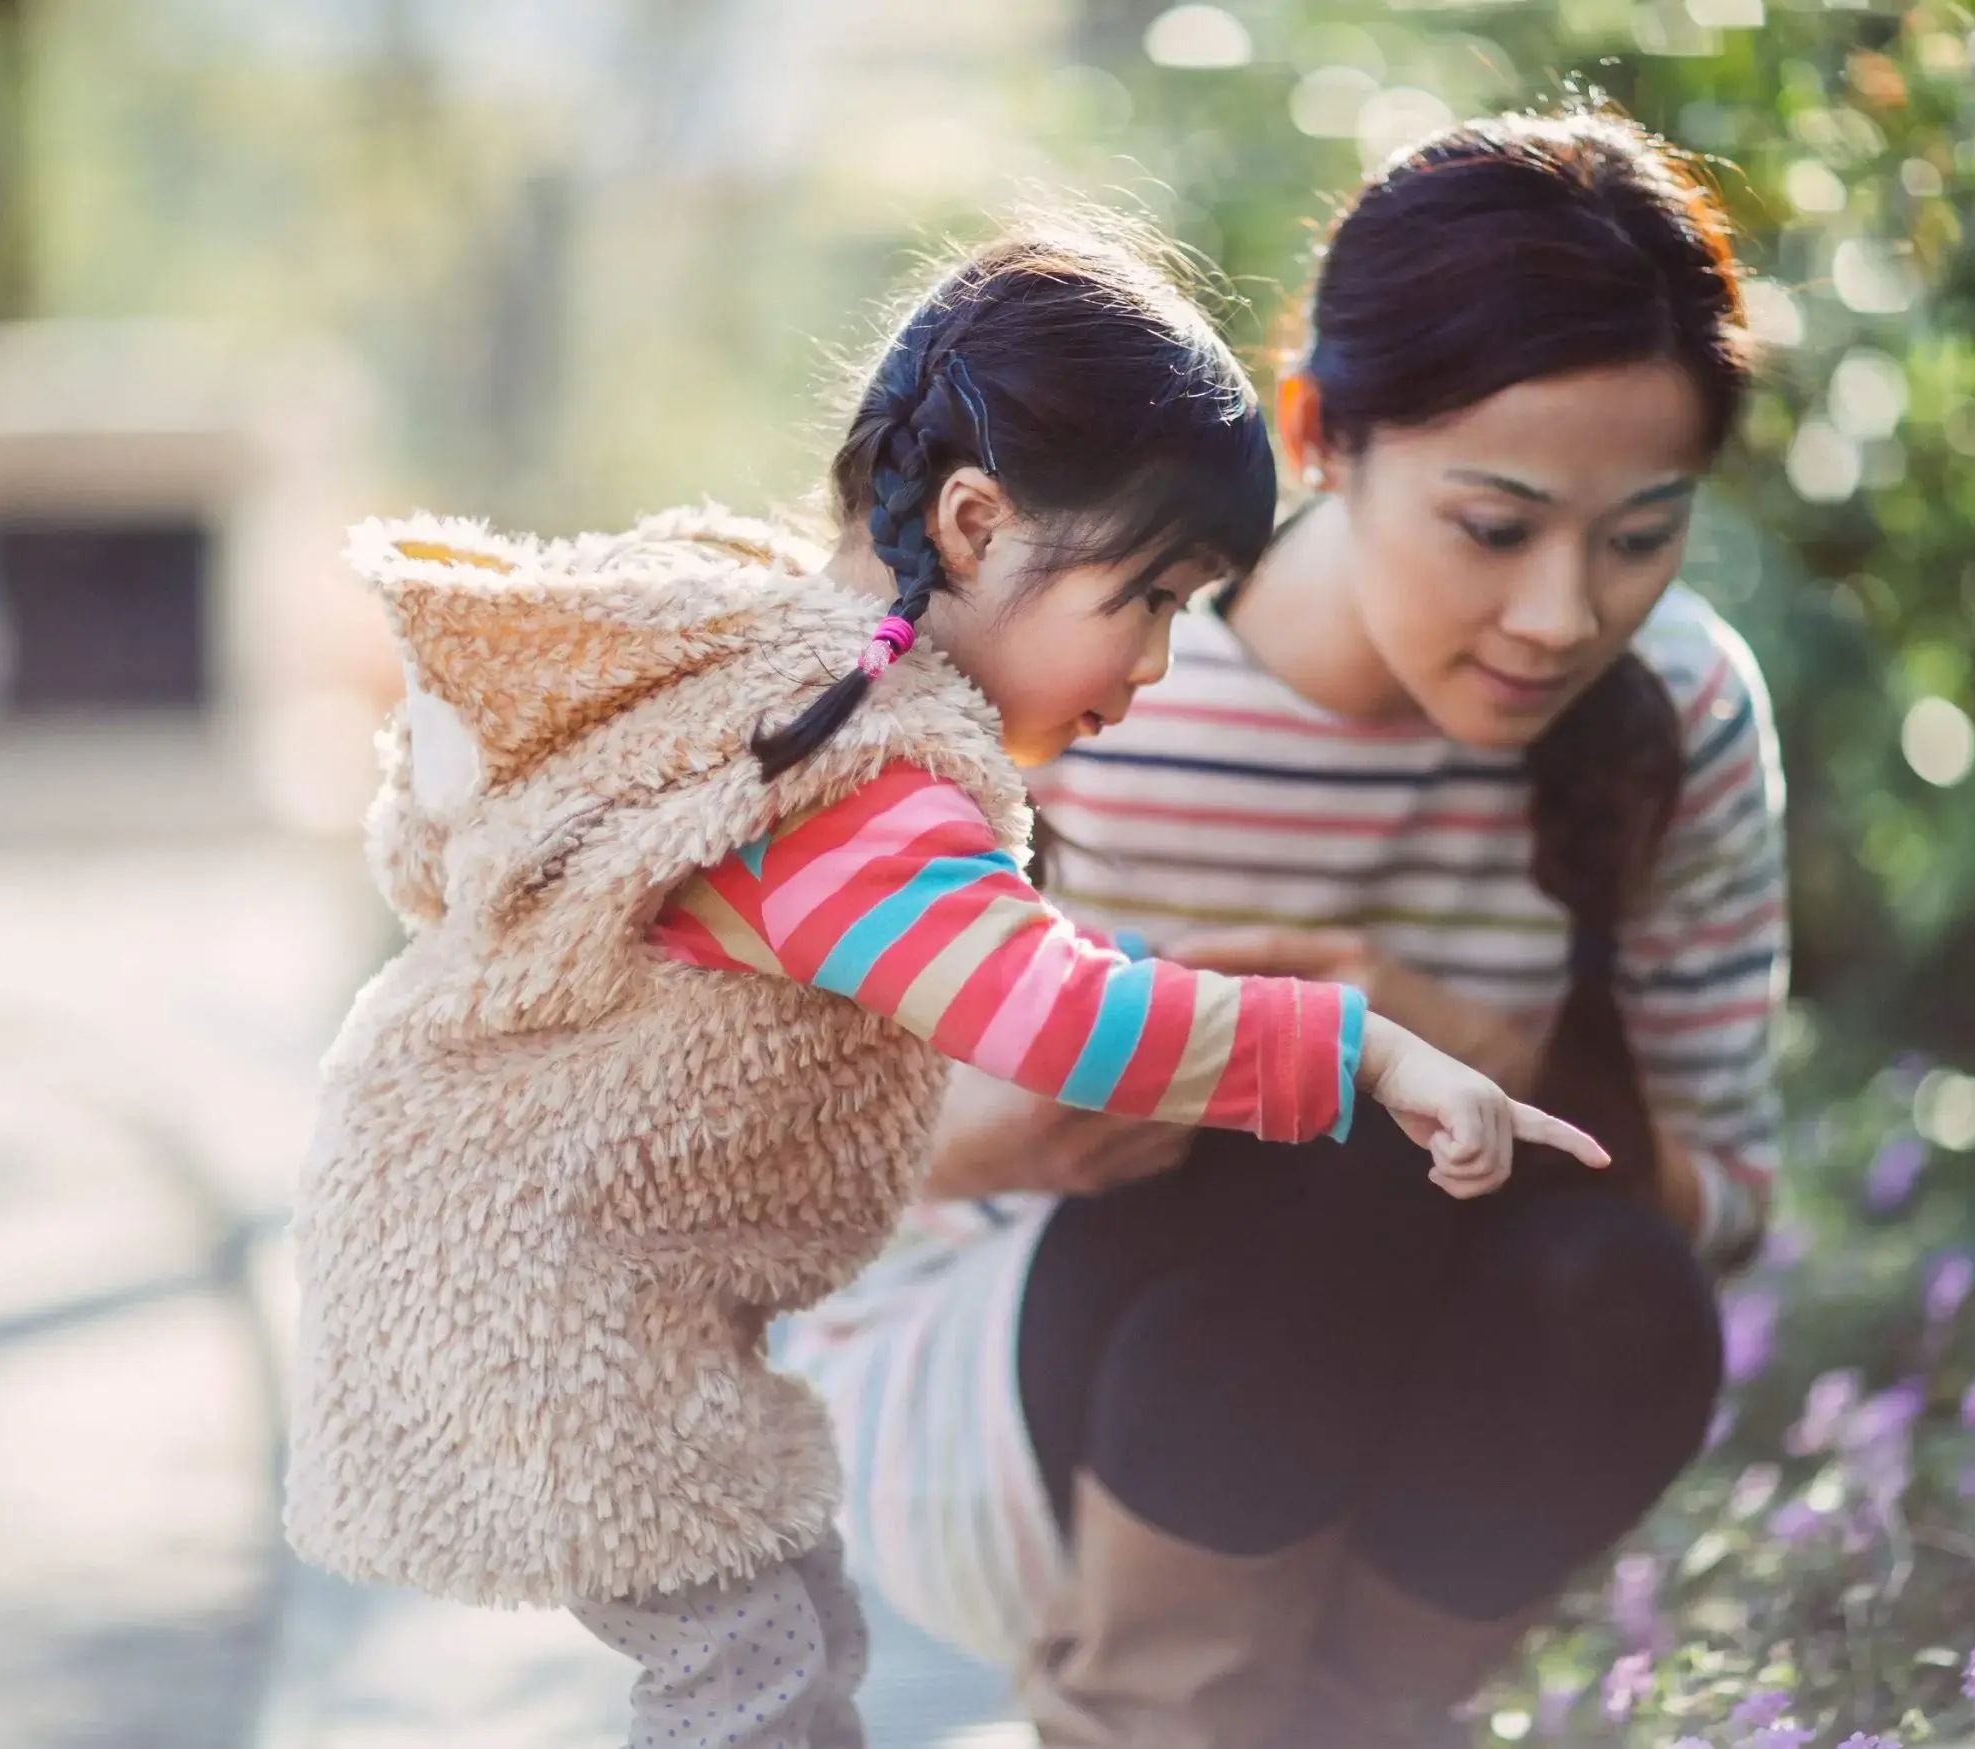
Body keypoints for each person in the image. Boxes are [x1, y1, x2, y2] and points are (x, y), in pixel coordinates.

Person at [280, 226, 1601, 1749]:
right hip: (542, 1296)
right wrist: (1368, 1054)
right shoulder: (849, 771)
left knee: (788, 1638)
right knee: (751, 1678)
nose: (1162, 663)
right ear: (976, 524)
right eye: (1150, 596)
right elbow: (1059, 1017)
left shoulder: (771, 677)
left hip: (524, 1257)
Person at [784, 109, 1788, 1749]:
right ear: (1323, 430)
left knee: (1619, 1290)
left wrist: (1459, 1050)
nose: (1564, 615)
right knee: (1329, 1136)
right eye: (1494, 525)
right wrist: (1002, 1128)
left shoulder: (1675, 714)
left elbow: (1724, 1203)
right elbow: (722, 1141)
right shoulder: (1083, 676)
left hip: (1422, 1410)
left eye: (1640, 537)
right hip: (992, 1387)